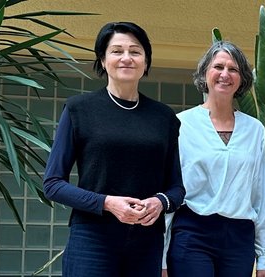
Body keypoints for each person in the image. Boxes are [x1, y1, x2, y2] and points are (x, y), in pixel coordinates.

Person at [42, 22, 184, 277]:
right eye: (117, 51)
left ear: (146, 62)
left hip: (147, 241)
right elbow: (53, 184)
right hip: (92, 238)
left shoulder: (164, 118)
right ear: (103, 60)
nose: (126, 58)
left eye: (135, 51)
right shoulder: (78, 109)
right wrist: (107, 203)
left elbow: (176, 188)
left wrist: (160, 202)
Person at [162, 41, 265, 277]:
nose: (225, 74)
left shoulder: (255, 129)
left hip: (239, 237)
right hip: (193, 231)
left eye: (233, 69)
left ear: (242, 79)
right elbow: (170, 187)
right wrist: (161, 256)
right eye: (218, 67)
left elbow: (260, 194)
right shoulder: (181, 124)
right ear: (205, 73)